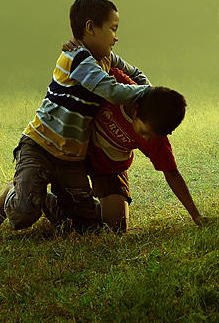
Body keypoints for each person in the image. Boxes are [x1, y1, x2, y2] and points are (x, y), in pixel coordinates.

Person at [0, 0, 151, 231]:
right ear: (90, 28)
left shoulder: (106, 58)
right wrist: (148, 93)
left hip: (71, 158)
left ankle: (39, 196)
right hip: (40, 146)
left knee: (85, 226)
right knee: (23, 215)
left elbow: (136, 74)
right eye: (112, 29)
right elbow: (110, 90)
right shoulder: (76, 58)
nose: (116, 37)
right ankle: (14, 192)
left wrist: (152, 93)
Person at [82, 66, 206, 231]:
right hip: (78, 153)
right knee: (74, 212)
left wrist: (196, 215)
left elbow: (172, 173)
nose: (146, 138)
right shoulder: (117, 85)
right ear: (136, 109)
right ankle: (58, 204)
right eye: (144, 132)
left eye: (152, 136)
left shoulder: (156, 137)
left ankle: (90, 211)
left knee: (116, 227)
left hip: (109, 168)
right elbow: (96, 62)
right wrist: (76, 46)